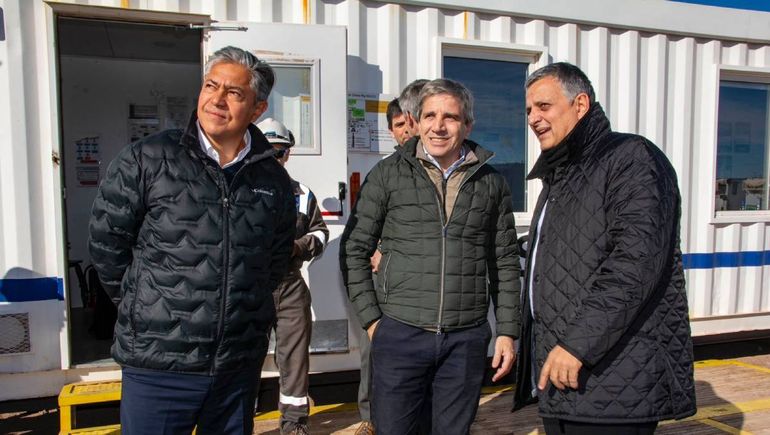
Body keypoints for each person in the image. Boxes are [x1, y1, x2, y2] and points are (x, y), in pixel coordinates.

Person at [88, 46, 296, 435]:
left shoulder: (273, 180)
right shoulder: (147, 158)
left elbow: (274, 260)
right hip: (158, 365)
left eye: (234, 93)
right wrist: (143, 304)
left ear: (257, 109)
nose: (217, 100)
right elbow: (107, 244)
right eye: (210, 86)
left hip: (236, 367)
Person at [513, 62, 696, 434]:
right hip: (564, 375)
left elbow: (634, 264)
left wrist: (577, 346)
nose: (533, 118)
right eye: (529, 110)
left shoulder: (630, 158)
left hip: (612, 378)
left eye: (544, 106)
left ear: (580, 104)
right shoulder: (561, 173)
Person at [341, 78, 520, 435]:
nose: (439, 126)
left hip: (464, 342)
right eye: (430, 116)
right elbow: (354, 249)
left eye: (450, 117)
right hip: (400, 334)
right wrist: (373, 322)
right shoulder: (388, 175)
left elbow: (505, 261)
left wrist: (508, 332)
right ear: (416, 121)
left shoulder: (491, 183)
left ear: (467, 125)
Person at [257, 118, 329, 435]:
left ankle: (293, 424)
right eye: (267, 152)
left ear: (288, 153)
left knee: (295, 360)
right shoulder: (239, 189)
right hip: (250, 288)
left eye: (280, 152)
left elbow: (321, 233)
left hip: (289, 286)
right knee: (243, 359)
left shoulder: (301, 194)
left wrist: (297, 246)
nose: (275, 158)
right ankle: (237, 419)